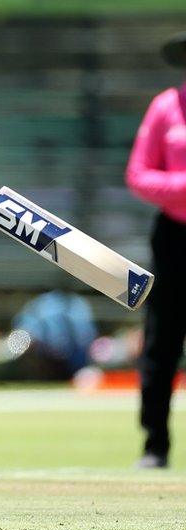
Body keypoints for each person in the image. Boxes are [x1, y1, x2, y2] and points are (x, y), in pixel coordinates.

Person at [125, 31, 186, 470]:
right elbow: (139, 173)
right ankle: (155, 443)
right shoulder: (167, 106)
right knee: (163, 339)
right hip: (174, 236)